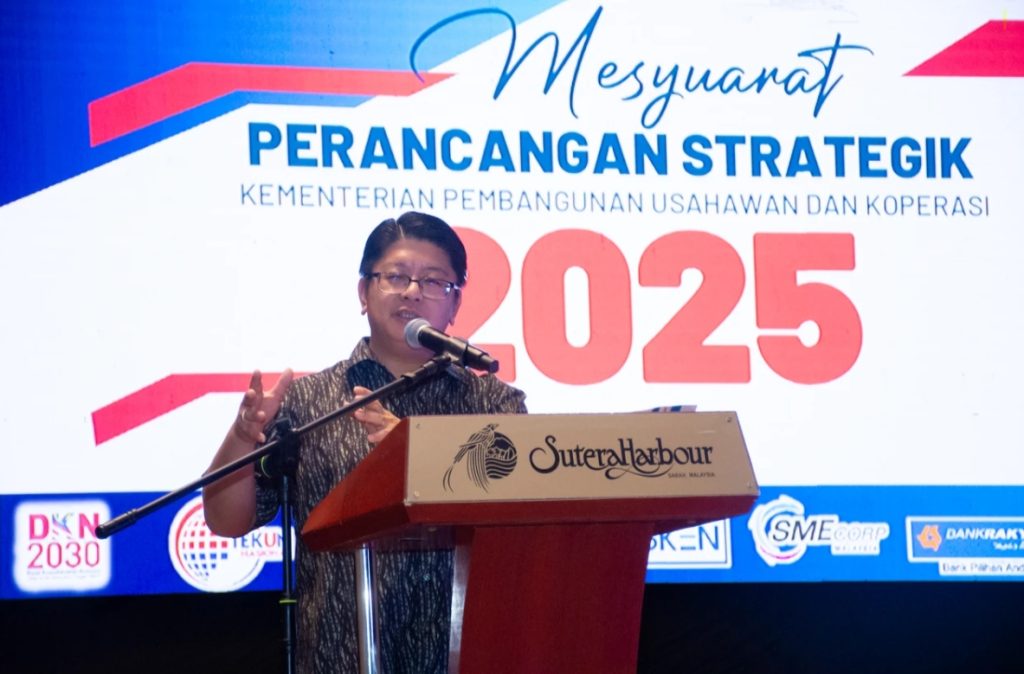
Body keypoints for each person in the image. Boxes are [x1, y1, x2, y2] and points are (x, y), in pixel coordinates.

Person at [202, 212, 527, 674]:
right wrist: (241, 436)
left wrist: (418, 454)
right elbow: (227, 521)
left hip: (466, 654)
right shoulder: (311, 402)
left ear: (455, 304)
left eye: (434, 281)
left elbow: (517, 523)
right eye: (396, 276)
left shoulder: (493, 404)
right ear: (363, 292)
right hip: (342, 654)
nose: (412, 291)